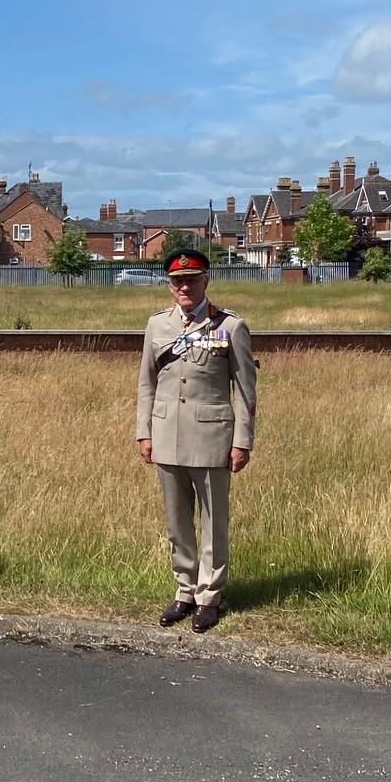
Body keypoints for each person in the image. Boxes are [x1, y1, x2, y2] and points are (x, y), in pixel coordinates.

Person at [134, 248, 256, 633]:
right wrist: (144, 431)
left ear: (206, 281)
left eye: (191, 280)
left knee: (213, 521)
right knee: (177, 523)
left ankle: (209, 596)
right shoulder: (158, 326)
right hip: (167, 435)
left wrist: (242, 441)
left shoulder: (229, 327)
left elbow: (246, 391)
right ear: (169, 286)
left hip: (211, 437)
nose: (184, 287)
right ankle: (184, 591)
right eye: (177, 281)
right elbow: (146, 384)